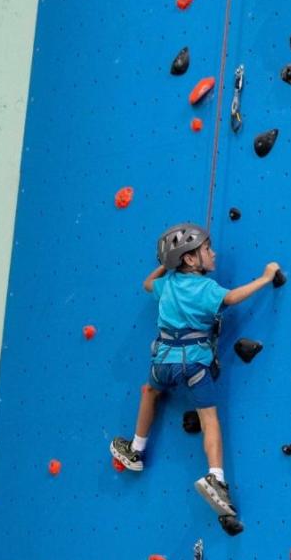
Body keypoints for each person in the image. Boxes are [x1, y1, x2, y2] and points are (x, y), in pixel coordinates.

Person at [110, 222, 280, 527]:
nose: (213, 254)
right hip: (195, 365)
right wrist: (266, 278)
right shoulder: (206, 288)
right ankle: (216, 477)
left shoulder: (166, 285)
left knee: (149, 392)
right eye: (206, 250)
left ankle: (136, 450)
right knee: (209, 419)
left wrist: (165, 266)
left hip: (163, 362)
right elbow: (231, 298)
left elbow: (147, 284)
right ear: (190, 259)